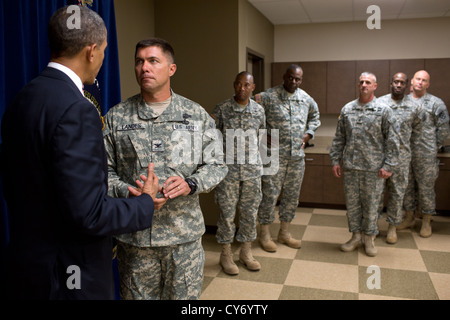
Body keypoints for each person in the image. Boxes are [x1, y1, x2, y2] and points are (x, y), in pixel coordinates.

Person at [0, 6, 162, 300]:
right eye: (103, 50)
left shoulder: (21, 100)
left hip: (28, 268)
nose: (102, 58)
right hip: (68, 277)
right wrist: (146, 204)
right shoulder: (77, 110)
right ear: (91, 51)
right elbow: (89, 214)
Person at [103, 38, 227, 300]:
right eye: (139, 61)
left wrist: (191, 183)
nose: (144, 67)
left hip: (183, 240)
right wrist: (128, 192)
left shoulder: (195, 114)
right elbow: (103, 173)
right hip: (135, 240)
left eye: (153, 61)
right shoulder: (117, 116)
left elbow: (217, 164)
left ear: (171, 69)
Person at [330, 72, 400, 257]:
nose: (363, 85)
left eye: (368, 82)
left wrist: (389, 165)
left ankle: (369, 239)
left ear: (375, 86)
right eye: (361, 82)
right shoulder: (347, 109)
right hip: (351, 167)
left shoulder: (383, 110)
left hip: (373, 168)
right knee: (353, 205)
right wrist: (335, 160)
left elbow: (392, 140)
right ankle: (355, 236)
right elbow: (340, 138)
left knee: (371, 206)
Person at [255, 64, 321, 252]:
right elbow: (250, 113)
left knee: (292, 196)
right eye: (291, 78)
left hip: (296, 158)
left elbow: (315, 117)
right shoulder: (267, 96)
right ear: (284, 77)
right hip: (273, 157)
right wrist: (260, 133)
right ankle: (265, 234)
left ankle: (284, 233)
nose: (293, 82)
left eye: (297, 79)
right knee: (269, 195)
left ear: (301, 80)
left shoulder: (305, 98)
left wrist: (308, 135)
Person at [213, 71, 266, 275]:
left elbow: (260, 137)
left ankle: (246, 252)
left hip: (252, 171)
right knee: (227, 215)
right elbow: (213, 139)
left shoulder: (259, 111)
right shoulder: (222, 109)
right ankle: (226, 255)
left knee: (249, 213)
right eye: (239, 84)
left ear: (253, 87)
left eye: (247, 85)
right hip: (229, 173)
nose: (242, 88)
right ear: (234, 85)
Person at [399, 70, 450, 237]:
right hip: (405, 153)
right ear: (411, 81)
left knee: (426, 188)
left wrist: (433, 146)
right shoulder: (401, 101)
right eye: (417, 79)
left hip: (425, 155)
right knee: (406, 187)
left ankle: (426, 220)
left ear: (428, 84)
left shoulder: (436, 103)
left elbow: (444, 131)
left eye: (424, 80)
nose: (420, 82)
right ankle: (409, 217)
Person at [377, 73, 422, 244]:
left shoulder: (414, 106)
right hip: (380, 157)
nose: (398, 85)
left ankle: (392, 228)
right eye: (396, 82)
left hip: (401, 158)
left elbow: (417, 131)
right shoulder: (380, 103)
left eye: (402, 82)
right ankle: (372, 227)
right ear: (391, 84)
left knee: (397, 195)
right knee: (377, 194)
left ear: (406, 85)